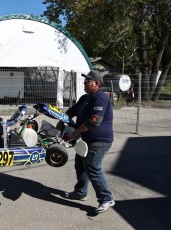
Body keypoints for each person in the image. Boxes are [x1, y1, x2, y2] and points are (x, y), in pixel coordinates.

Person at [56, 70, 115, 213]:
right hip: (86, 140)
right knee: (80, 165)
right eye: (85, 80)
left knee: (92, 166)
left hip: (100, 140)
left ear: (97, 83)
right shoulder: (84, 98)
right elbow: (71, 111)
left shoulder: (100, 97)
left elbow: (94, 121)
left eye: (88, 80)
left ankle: (106, 199)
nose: (84, 82)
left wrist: (76, 131)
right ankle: (80, 192)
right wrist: (61, 121)